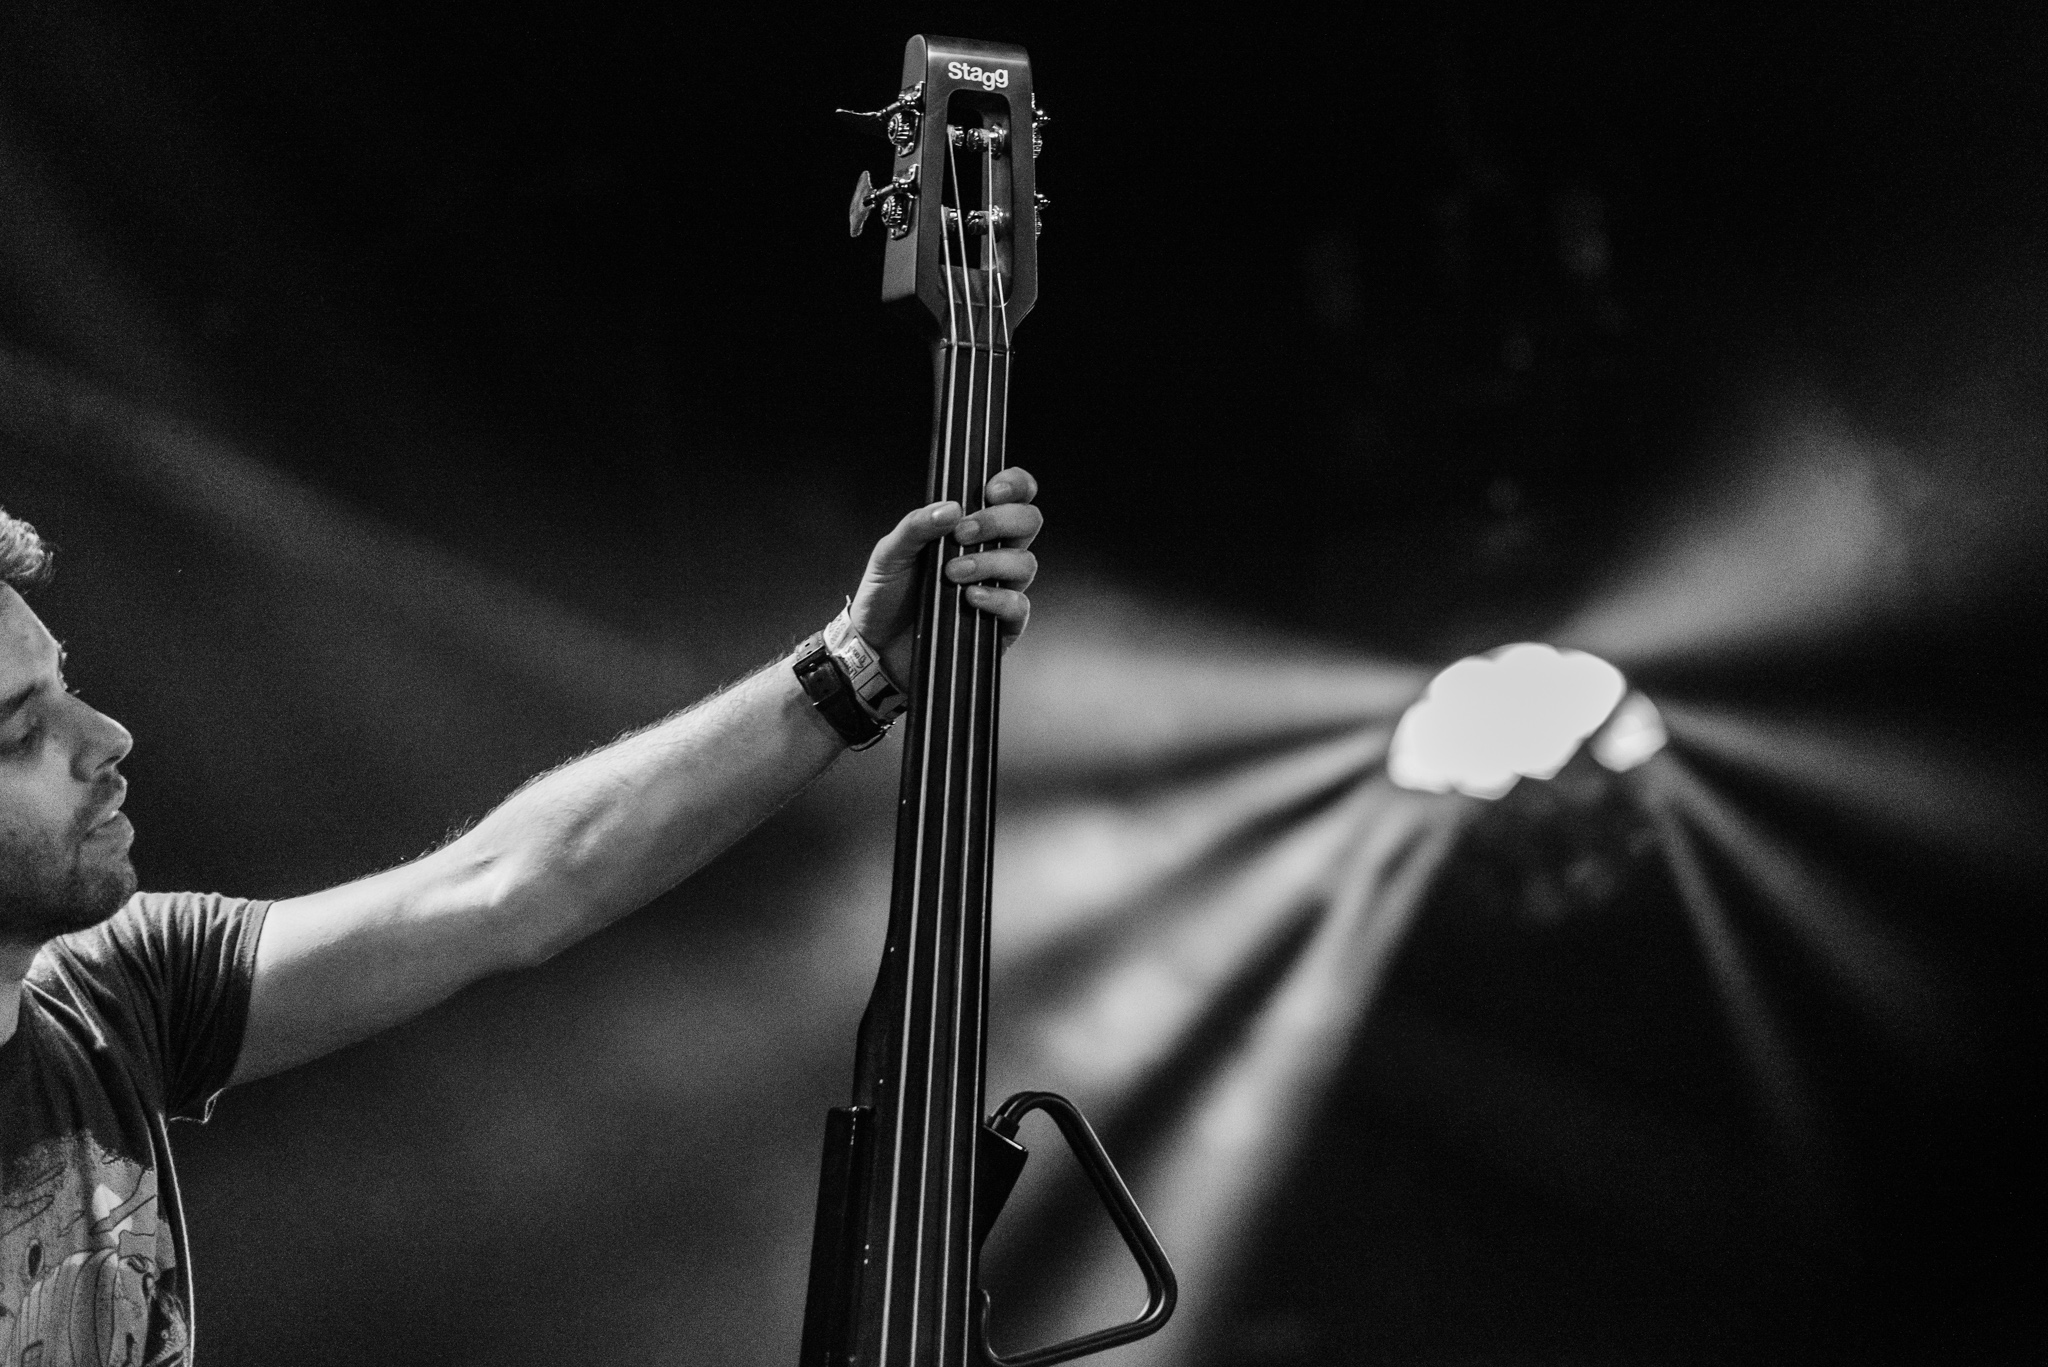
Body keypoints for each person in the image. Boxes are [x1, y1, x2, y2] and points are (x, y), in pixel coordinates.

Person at [0, 472, 1041, 1365]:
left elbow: (507, 884)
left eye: (66, 684)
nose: (107, 735)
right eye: (18, 730)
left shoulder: (114, 989)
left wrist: (853, 668)